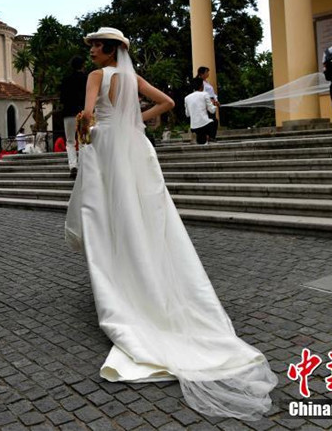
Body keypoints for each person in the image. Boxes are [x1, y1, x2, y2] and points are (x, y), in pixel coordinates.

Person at [65, 27, 277, 420]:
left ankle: (120, 275)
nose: (92, 50)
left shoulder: (98, 77)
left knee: (110, 215)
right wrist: (134, 119)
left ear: (111, 50)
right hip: (134, 144)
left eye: (96, 45)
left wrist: (94, 127)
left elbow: (89, 116)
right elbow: (167, 102)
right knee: (144, 213)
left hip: (109, 146)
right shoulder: (131, 77)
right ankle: (146, 269)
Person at [60, 55, 88, 178]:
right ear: (83, 65)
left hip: (68, 113)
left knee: (70, 141)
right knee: (83, 141)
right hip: (82, 112)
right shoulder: (87, 79)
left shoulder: (66, 80)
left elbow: (62, 99)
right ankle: (82, 165)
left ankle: (73, 166)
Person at [184, 76, 218, 145]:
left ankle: (200, 138)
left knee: (201, 142)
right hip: (205, 125)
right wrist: (214, 105)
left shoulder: (187, 98)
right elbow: (212, 110)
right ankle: (211, 138)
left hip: (193, 127)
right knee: (215, 121)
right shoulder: (205, 94)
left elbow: (187, 114)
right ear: (202, 85)